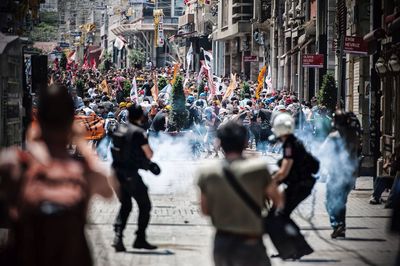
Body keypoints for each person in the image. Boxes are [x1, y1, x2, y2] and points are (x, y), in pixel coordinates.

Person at [0, 83, 113, 266]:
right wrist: (81, 144)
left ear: (38, 119)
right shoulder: (83, 169)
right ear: (71, 121)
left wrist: (32, 141)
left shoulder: (14, 162)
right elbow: (108, 190)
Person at [197, 121, 284, 266]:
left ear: (219, 143)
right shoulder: (258, 168)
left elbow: (205, 210)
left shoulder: (207, 172)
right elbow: (278, 200)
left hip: (222, 242)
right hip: (251, 241)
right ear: (245, 142)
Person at [111, 104, 159, 252]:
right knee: (145, 205)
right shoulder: (139, 132)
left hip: (116, 172)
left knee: (126, 205)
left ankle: (118, 237)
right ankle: (140, 238)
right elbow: (149, 154)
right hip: (130, 174)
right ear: (140, 116)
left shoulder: (119, 128)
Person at [322, 110, 360, 238]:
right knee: (341, 201)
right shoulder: (353, 135)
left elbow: (322, 152)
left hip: (335, 174)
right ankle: (341, 225)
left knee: (330, 201)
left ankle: (337, 224)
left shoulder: (334, 136)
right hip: (351, 174)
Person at [271, 112, 316, 219]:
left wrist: (269, 183)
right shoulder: (292, 141)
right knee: (280, 212)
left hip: (301, 185)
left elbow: (283, 172)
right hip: (300, 183)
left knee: (279, 215)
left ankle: (293, 235)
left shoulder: (289, 145)